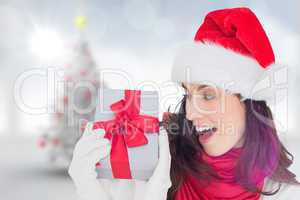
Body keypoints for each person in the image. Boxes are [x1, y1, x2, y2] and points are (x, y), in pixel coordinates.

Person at [68, 7, 300, 200]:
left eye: (208, 95)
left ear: (250, 103)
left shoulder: (286, 195)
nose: (189, 113)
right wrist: (90, 190)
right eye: (188, 95)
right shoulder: (154, 175)